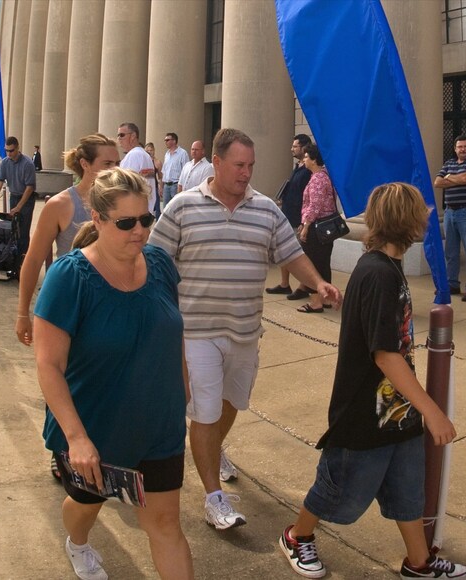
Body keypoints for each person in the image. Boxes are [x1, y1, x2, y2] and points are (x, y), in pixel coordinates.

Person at [148, 128, 342, 531]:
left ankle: (214, 449)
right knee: (204, 411)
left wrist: (317, 283)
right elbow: (153, 263)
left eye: (251, 165)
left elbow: (291, 253)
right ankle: (213, 497)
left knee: (232, 403)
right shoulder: (182, 207)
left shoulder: (266, 210)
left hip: (245, 331)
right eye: (239, 165)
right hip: (196, 331)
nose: (246, 173)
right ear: (216, 163)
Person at [277, 182, 466, 580]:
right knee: (338, 488)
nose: (428, 216)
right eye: (422, 210)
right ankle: (297, 536)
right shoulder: (377, 273)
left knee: (407, 491)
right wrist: (433, 412)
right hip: (365, 413)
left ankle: (418, 563)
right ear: (404, 220)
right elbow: (384, 354)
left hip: (394, 409)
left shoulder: (387, 267)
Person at [33, 168, 194, 580]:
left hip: (159, 425)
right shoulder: (69, 277)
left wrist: (183, 382)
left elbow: (171, 327)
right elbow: (48, 364)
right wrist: (76, 438)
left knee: (164, 524)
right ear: (98, 219)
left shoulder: (159, 263)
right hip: (95, 426)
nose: (139, 231)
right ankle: (78, 543)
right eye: (126, 222)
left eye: (146, 219)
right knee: (86, 505)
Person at [16, 133, 121, 346]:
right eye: (108, 163)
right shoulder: (59, 205)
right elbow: (34, 260)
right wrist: (22, 314)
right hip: (71, 304)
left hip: (113, 304)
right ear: (85, 164)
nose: (115, 169)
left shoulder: (124, 202)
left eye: (118, 163)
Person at [433, 135, 466, 302]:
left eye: (465, 146)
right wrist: (455, 180)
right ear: (455, 149)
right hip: (449, 212)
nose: (462, 149)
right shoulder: (449, 163)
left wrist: (449, 178)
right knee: (451, 253)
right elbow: (437, 182)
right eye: (460, 147)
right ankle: (452, 284)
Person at [266, 134, 313, 298]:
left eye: (295, 146)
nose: (291, 149)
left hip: (299, 217)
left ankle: (303, 287)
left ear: (304, 147)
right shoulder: (298, 167)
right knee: (283, 250)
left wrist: (304, 221)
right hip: (288, 213)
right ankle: (285, 284)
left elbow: (308, 198)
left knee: (299, 252)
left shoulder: (309, 171)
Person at [295, 144, 337, 314]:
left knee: (312, 264)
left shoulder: (318, 179)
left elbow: (315, 206)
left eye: (306, 156)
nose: (304, 160)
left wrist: (306, 226)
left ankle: (315, 303)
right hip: (323, 228)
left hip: (316, 228)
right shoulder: (324, 176)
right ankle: (325, 299)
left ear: (313, 159)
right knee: (323, 263)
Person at [0, 136, 38, 255]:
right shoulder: (5, 162)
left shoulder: (27, 163)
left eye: (11, 150)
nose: (9, 153)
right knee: (13, 228)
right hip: (14, 196)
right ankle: (12, 255)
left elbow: (29, 187)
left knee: (23, 230)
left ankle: (22, 258)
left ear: (17, 148)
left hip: (26, 199)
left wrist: (19, 207)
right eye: (6, 150)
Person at [117, 123, 157, 215]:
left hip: (133, 212)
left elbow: (126, 185)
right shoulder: (144, 155)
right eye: (118, 135)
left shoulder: (133, 155)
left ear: (133, 136)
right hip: (145, 210)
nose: (119, 138)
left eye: (122, 135)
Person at [161, 132, 190, 207]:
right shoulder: (167, 154)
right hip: (166, 186)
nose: (165, 142)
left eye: (167, 140)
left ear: (174, 141)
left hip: (176, 185)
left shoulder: (182, 153)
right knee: (166, 209)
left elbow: (186, 170)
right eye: (165, 140)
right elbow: (164, 171)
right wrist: (161, 186)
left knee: (176, 207)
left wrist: (182, 187)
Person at [144, 142, 163, 216]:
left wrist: (160, 187)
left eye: (150, 150)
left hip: (154, 187)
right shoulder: (143, 161)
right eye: (147, 150)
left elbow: (160, 177)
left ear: (154, 150)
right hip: (145, 187)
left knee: (157, 206)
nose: (149, 152)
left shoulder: (157, 162)